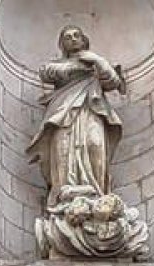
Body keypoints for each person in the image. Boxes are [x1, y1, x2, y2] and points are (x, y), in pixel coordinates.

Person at [26, 25, 125, 210]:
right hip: (63, 113)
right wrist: (78, 66)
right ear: (62, 44)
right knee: (63, 151)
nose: (72, 39)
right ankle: (63, 193)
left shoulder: (96, 63)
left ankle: (97, 193)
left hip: (92, 111)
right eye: (67, 37)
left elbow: (113, 81)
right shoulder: (58, 65)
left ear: (83, 40)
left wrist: (96, 60)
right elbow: (47, 72)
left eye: (76, 35)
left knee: (94, 144)